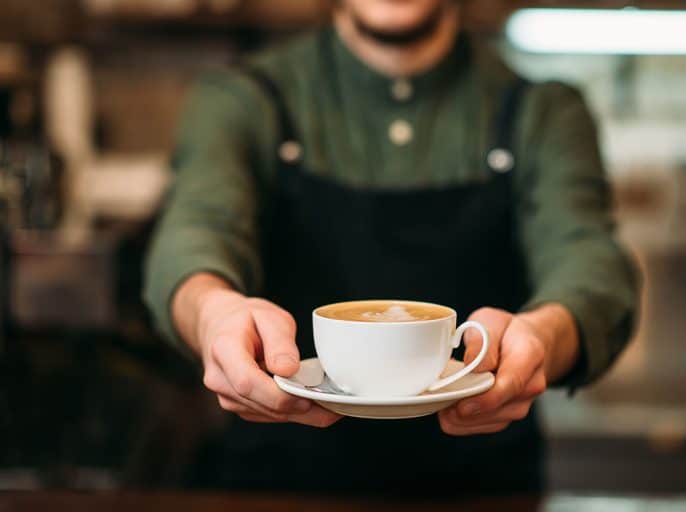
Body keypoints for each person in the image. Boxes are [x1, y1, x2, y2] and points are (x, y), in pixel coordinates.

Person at [144, 0, 638, 495]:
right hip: (282, 485)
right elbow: (194, 230)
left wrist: (545, 336)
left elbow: (589, 261)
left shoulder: (544, 109)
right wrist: (213, 312)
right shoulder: (242, 98)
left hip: (485, 487)